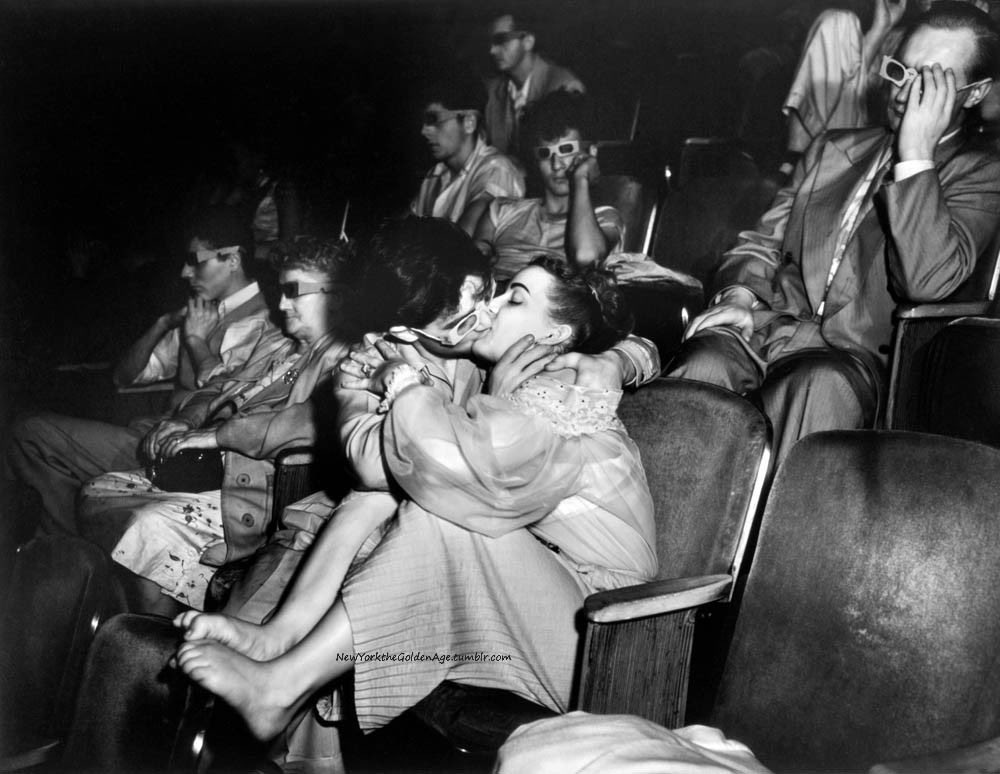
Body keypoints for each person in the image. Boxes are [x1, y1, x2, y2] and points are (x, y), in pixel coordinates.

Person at [172, 256, 656, 743]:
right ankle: (279, 637)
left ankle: (283, 686)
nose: (489, 308)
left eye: (514, 300)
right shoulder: (508, 381)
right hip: (537, 593)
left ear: (554, 334)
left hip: (604, 630)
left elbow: (453, 467)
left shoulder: (564, 388)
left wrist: (399, 381)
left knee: (433, 508)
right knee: (379, 495)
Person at [668, 1, 1000, 465]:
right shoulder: (833, 148)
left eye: (928, 81)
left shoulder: (983, 174)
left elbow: (925, 282)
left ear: (973, 93)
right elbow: (762, 243)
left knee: (815, 386)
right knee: (702, 359)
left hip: (858, 359)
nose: (903, 91)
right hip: (769, 328)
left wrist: (916, 157)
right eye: (900, 70)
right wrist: (741, 297)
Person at [75, 237, 359, 613]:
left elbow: (306, 420)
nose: (281, 304)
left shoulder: (350, 356)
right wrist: (186, 421)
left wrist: (213, 436)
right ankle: (133, 616)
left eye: (293, 291)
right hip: (218, 477)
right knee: (97, 490)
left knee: (146, 527)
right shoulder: (279, 343)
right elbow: (218, 386)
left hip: (265, 495)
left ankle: (150, 631)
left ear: (337, 296)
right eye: (281, 291)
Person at [6, 206, 284, 535]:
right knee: (32, 435)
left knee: (29, 433)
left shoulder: (265, 321)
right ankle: (76, 542)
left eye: (195, 260)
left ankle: (74, 546)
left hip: (188, 452)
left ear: (233, 259)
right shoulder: (200, 313)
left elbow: (227, 391)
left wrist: (195, 341)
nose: (185, 272)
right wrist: (163, 324)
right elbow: (124, 376)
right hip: (153, 433)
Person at [475, 90, 623, 283]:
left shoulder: (605, 219)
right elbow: (471, 267)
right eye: (545, 153)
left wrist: (581, 178)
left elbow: (586, 257)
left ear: (590, 152)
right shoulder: (501, 211)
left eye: (566, 150)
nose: (556, 165)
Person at [410, 76, 525, 235]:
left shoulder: (496, 171)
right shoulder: (435, 175)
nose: (424, 131)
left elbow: (465, 240)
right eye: (423, 121)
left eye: (434, 119)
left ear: (469, 122)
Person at [483, 10, 585, 156]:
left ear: (528, 42)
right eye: (491, 42)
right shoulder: (493, 91)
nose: (492, 50)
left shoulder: (563, 84)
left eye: (501, 40)